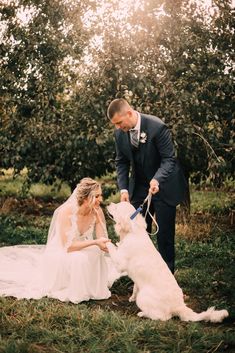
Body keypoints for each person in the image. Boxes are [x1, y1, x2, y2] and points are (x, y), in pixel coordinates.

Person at [0, 178, 119, 303]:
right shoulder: (66, 212)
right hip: (63, 250)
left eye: (101, 195)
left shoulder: (97, 211)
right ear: (84, 198)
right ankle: (75, 290)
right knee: (79, 258)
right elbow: (68, 246)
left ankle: (93, 289)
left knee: (96, 252)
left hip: (81, 245)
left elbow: (101, 239)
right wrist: (95, 242)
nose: (101, 199)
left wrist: (112, 248)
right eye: (97, 196)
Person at [107, 98, 187, 273]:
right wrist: (124, 188)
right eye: (115, 125)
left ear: (129, 113)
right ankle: (141, 273)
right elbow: (121, 162)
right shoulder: (120, 133)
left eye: (119, 122)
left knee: (165, 235)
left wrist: (157, 179)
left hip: (164, 183)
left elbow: (169, 159)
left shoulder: (157, 127)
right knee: (136, 231)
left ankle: (167, 276)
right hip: (140, 186)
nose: (118, 127)